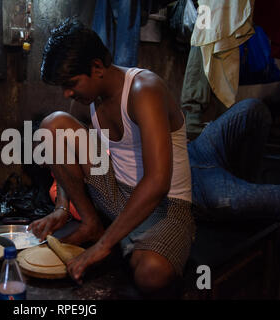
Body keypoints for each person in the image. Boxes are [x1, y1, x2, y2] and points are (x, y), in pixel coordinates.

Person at [29, 18, 195, 294]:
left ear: (97, 67)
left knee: (151, 273)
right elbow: (66, 148)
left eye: (71, 83)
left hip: (166, 207)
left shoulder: (144, 89)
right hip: (117, 195)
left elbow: (157, 183)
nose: (67, 93)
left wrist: (102, 247)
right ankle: (92, 223)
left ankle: (112, 237)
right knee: (53, 125)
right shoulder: (89, 99)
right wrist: (61, 207)